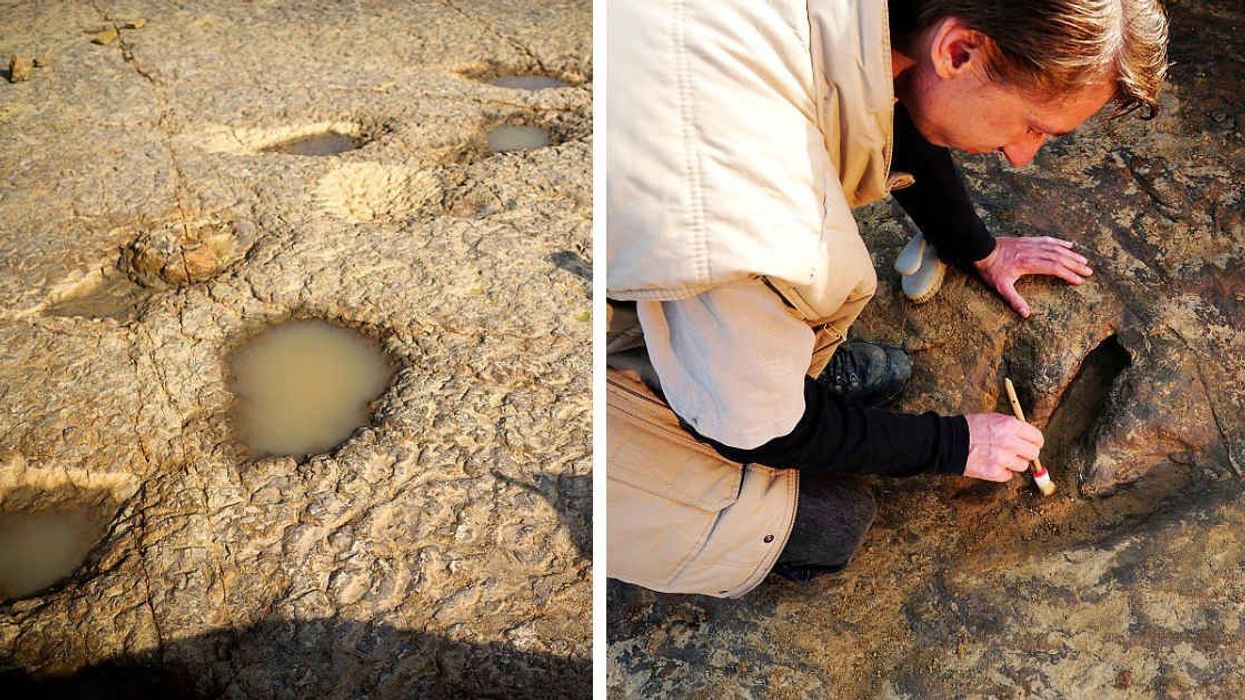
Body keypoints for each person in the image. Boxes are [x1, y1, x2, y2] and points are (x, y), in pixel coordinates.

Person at [606, 0, 1169, 597]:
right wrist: (953, 444)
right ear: (960, 50)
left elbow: (891, 100)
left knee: (774, 360)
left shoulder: (878, 23)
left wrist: (975, 246)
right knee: (835, 522)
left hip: (664, 202)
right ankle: (733, 370)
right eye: (1034, 126)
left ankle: (767, 357)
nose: (1022, 155)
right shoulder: (758, 216)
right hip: (625, 329)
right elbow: (749, 432)